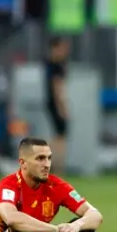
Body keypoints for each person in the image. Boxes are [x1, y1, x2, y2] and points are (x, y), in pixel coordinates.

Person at [45, 37, 69, 173]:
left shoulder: (49, 64)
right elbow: (57, 87)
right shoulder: (56, 66)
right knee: (60, 136)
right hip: (55, 103)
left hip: (52, 102)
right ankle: (58, 167)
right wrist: (62, 106)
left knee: (58, 135)